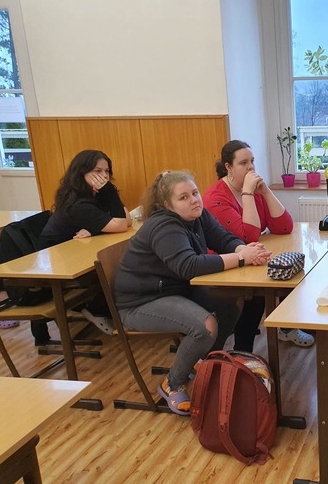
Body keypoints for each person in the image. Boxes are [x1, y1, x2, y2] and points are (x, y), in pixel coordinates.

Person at [113, 170, 272, 415]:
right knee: (206, 326)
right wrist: (242, 258)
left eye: (195, 193)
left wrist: (244, 249)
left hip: (173, 290)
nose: (194, 200)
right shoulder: (165, 225)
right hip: (140, 303)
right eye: (183, 197)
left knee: (231, 302)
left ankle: (203, 362)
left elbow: (223, 238)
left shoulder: (197, 215)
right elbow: (189, 266)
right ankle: (172, 383)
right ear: (168, 205)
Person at [203, 139, 315, 349]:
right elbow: (249, 236)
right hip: (222, 265)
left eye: (252, 161)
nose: (251, 167)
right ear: (228, 167)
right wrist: (247, 193)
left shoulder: (254, 189)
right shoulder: (216, 199)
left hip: (248, 257)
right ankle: (242, 351)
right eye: (243, 163)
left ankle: (287, 328)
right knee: (258, 295)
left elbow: (284, 226)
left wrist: (266, 192)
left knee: (291, 271)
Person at [35, 149, 133, 343]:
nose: (104, 176)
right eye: (98, 171)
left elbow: (126, 219)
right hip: (58, 266)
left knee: (119, 265)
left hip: (77, 254)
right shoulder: (78, 204)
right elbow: (122, 224)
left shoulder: (94, 195)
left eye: (107, 171)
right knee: (117, 270)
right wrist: (109, 196)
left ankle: (102, 309)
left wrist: (95, 229)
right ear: (82, 173)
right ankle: (94, 308)